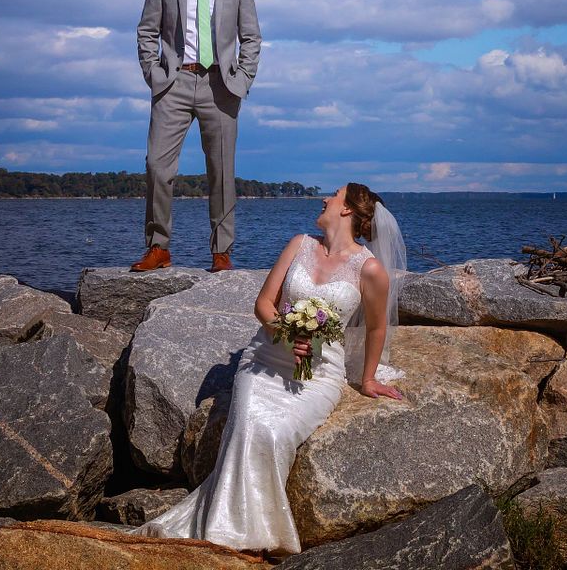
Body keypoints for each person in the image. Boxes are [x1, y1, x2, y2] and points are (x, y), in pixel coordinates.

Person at [136, 182, 405, 555]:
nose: (325, 198)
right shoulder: (300, 245)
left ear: (346, 210)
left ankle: (247, 533)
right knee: (250, 421)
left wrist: (369, 377)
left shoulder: (370, 268)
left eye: (334, 195)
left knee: (276, 433)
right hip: (263, 361)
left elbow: (376, 327)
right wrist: (286, 332)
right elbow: (264, 302)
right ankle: (234, 534)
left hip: (319, 374)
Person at [132, 0, 261, 273]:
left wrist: (243, 78)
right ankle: (159, 248)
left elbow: (251, 37)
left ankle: (221, 252)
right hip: (173, 82)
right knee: (158, 166)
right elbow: (146, 31)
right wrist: (153, 73)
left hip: (222, 84)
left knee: (221, 171)